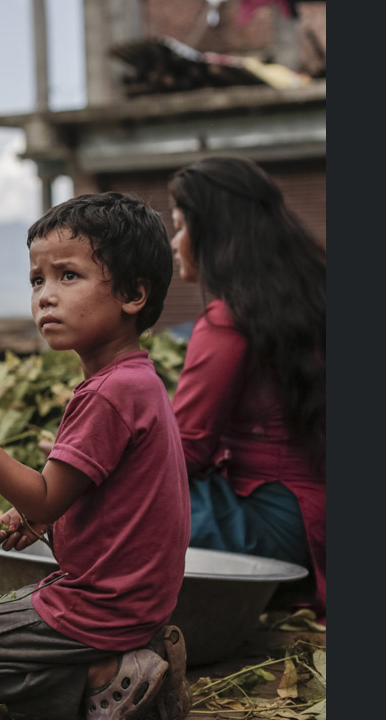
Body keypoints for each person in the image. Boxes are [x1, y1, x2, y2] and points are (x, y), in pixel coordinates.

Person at [0, 193, 191, 720]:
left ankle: (106, 678)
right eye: (37, 280)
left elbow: (46, 492)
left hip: (100, 608)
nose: (45, 297)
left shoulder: (107, 393)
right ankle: (124, 665)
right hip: (136, 603)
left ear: (132, 294)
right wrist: (39, 518)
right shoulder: (136, 380)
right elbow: (88, 502)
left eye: (68, 276)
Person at [168, 156, 326, 621]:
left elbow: (185, 453)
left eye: (179, 227)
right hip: (316, 518)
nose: (175, 244)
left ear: (212, 233)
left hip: (276, 523)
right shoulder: (312, 299)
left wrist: (93, 461)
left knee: (111, 504)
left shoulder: (228, 319)